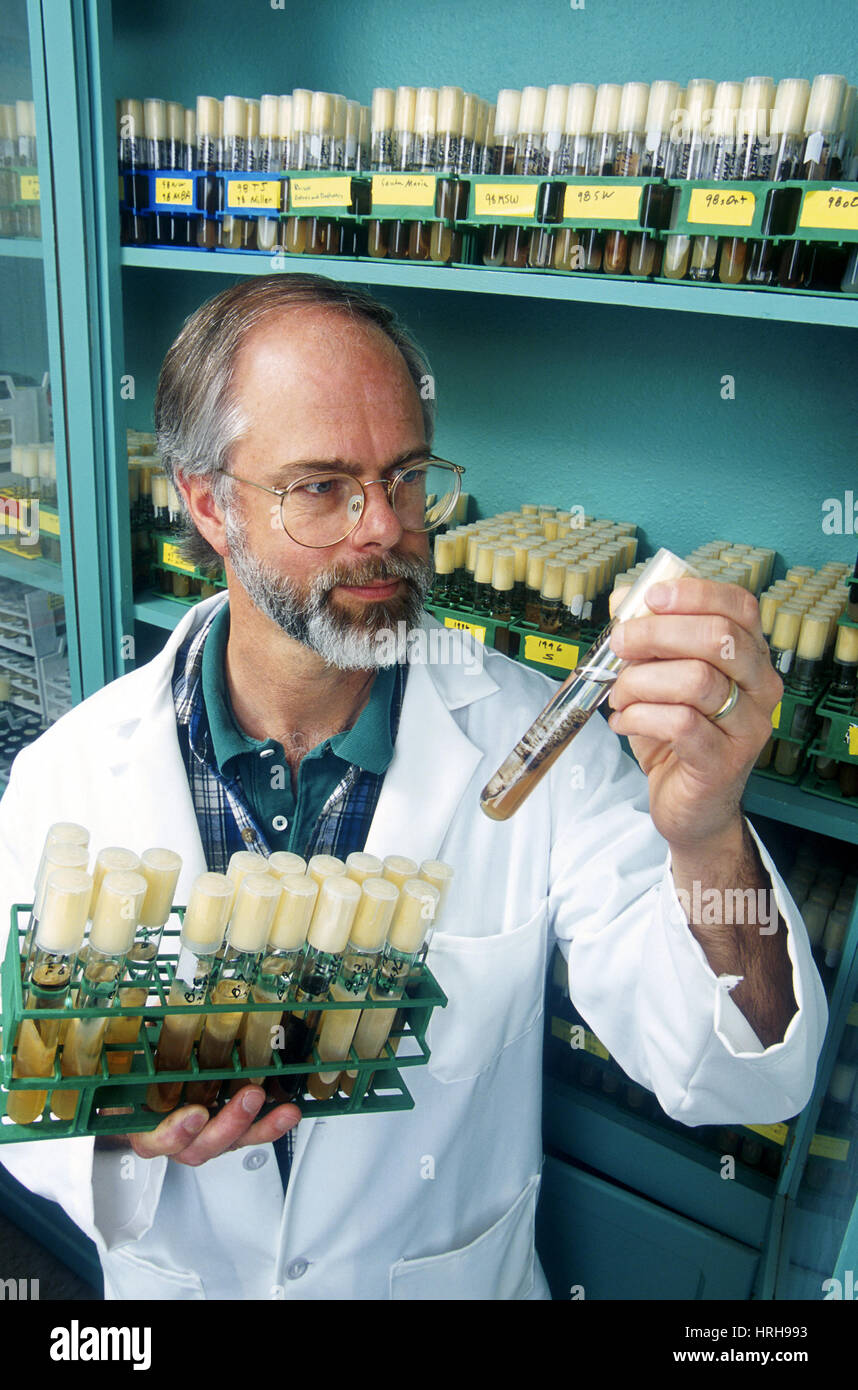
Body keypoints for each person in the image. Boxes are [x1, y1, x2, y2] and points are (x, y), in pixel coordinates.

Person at [0, 274, 826, 1301]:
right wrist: (117, 1130)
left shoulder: (543, 751)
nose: (382, 527)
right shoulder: (69, 777)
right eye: (320, 487)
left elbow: (742, 1071)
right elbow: (23, 1086)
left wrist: (707, 834)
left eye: (404, 477)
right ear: (209, 503)